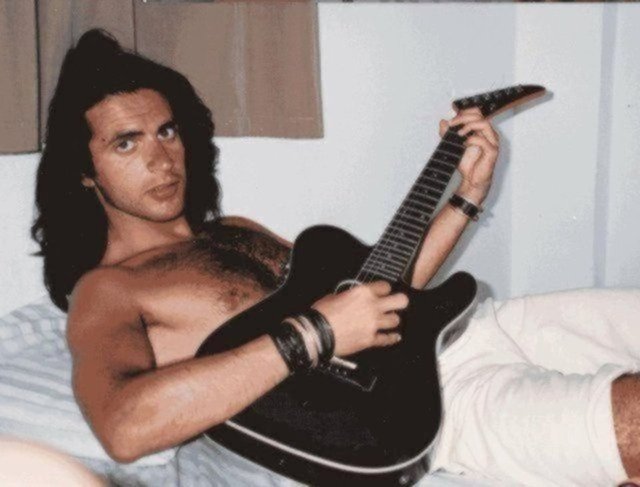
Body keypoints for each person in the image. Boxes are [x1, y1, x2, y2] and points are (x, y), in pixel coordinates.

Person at [31, 28, 497, 471]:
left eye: (166, 132)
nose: (161, 161)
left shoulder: (235, 229)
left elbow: (376, 294)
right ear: (85, 172)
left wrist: (467, 195)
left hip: (432, 359)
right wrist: (315, 333)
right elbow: (122, 428)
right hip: (428, 411)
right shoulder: (106, 289)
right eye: (126, 144)